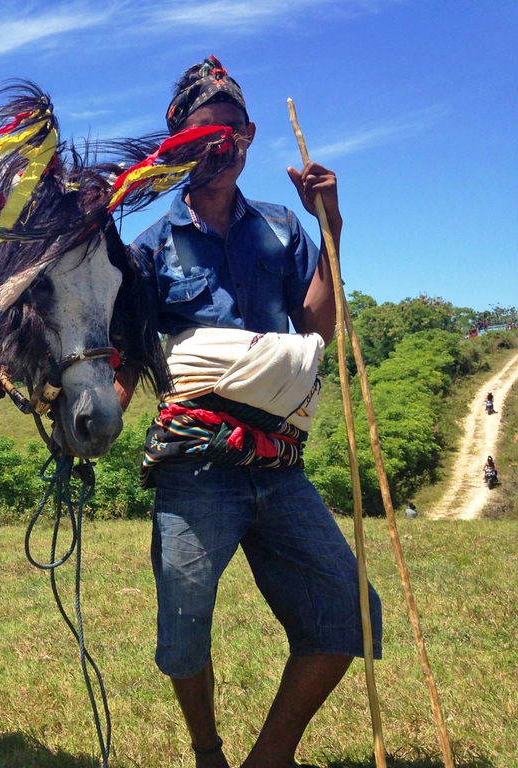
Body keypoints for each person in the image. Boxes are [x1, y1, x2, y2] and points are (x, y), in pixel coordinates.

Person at [117, 56, 382, 768]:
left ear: (251, 135)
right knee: (182, 635)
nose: (219, 143)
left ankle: (270, 759)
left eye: (231, 130)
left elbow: (318, 330)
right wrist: (94, 420)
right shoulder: (149, 250)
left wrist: (330, 228)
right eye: (201, 133)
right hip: (194, 465)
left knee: (348, 612)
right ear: (175, 145)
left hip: (279, 462)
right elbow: (132, 354)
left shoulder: (283, 228)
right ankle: (208, 754)